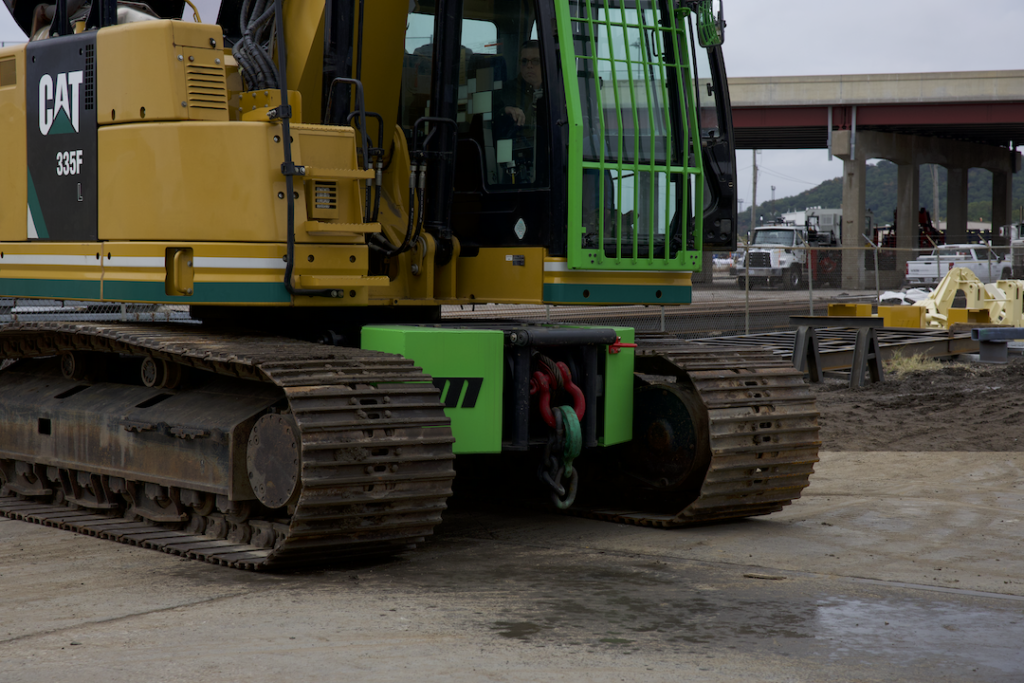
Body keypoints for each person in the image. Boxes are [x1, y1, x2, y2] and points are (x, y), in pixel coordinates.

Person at [493, 40, 546, 183]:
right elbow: (487, 120)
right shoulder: (505, 91)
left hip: (549, 162)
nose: (529, 65)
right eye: (524, 61)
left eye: (535, 61)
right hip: (515, 165)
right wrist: (505, 111)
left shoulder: (557, 94)